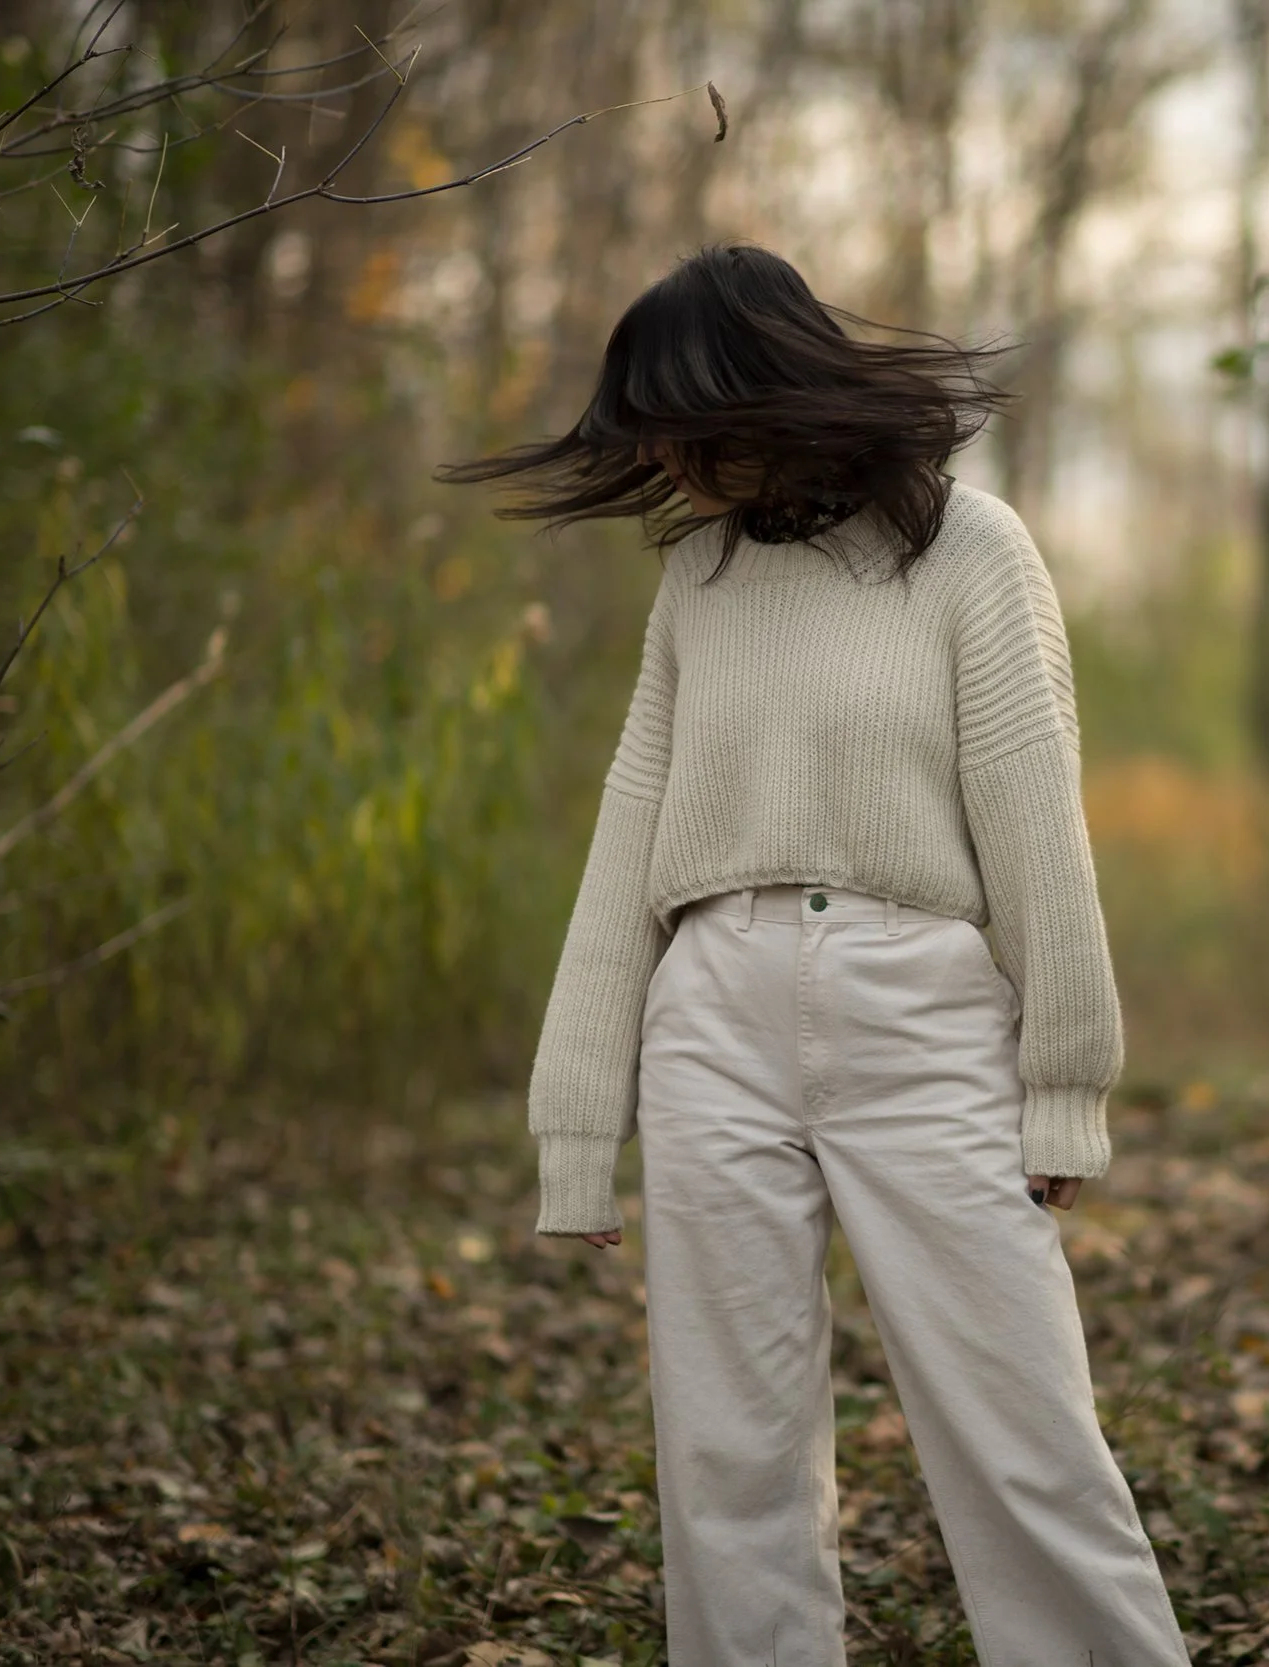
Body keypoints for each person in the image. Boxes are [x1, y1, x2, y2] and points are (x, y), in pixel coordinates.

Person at [445, 243, 1192, 1666]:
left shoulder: (974, 552)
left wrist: (1066, 1080)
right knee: (729, 1453)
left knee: (1024, 1429)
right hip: (711, 1019)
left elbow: (1037, 817)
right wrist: (577, 1119)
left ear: (759, 391)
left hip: (921, 1012)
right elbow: (630, 844)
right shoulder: (702, 579)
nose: (658, 456)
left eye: (674, 420)